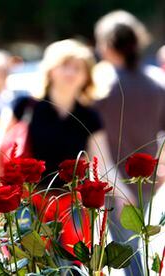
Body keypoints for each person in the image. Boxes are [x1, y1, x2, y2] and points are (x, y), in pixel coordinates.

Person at [0, 39, 109, 191]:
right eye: (64, 66)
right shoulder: (24, 105)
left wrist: (125, 195)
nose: (71, 72)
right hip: (23, 201)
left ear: (87, 76)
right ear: (50, 70)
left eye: (78, 68)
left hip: (69, 205)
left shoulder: (89, 116)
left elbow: (103, 166)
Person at [94, 10, 165, 275]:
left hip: (112, 183)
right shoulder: (157, 83)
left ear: (107, 43)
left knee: (128, 256)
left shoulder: (101, 84)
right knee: (141, 250)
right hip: (147, 181)